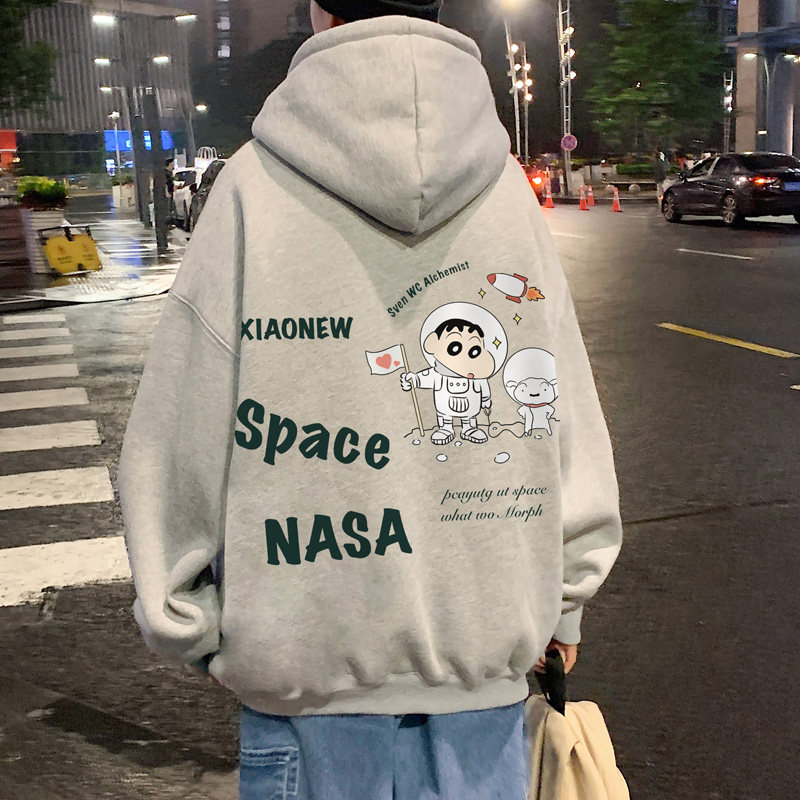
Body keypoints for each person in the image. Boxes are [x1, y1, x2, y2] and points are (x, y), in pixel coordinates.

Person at [117, 2, 623, 798]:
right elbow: (562, 411)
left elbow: (180, 429)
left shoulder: (252, 187)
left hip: (305, 698)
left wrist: (188, 620)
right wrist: (562, 606)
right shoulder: (506, 193)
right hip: (483, 700)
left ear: (319, 10)